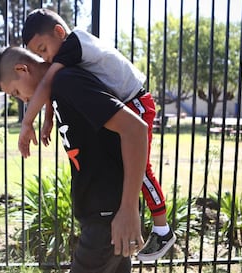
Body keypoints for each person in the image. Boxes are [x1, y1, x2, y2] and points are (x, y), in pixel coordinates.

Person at [19, 8, 175, 261]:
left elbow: (48, 82)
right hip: (131, 101)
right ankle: (158, 226)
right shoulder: (70, 51)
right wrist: (48, 118)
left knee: (141, 168)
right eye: (39, 55)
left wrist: (28, 122)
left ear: (59, 32)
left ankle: (162, 229)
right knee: (134, 166)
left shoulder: (73, 43)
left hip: (135, 101)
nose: (46, 60)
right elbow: (53, 85)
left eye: (43, 49)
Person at [0, 45, 146, 273]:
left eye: (15, 92)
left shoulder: (68, 82)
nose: (22, 100)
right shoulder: (58, 89)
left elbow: (135, 129)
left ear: (22, 69)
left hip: (109, 218)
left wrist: (129, 209)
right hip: (102, 214)